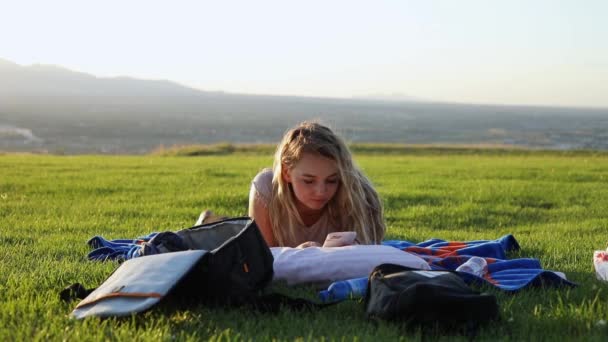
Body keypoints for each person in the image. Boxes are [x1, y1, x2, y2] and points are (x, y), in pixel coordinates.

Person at [248, 121, 386, 248]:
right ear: (286, 173)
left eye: (332, 180)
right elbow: (263, 262)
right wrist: (298, 255)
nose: (321, 191)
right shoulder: (266, 188)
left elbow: (366, 260)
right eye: (309, 181)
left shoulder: (355, 192)